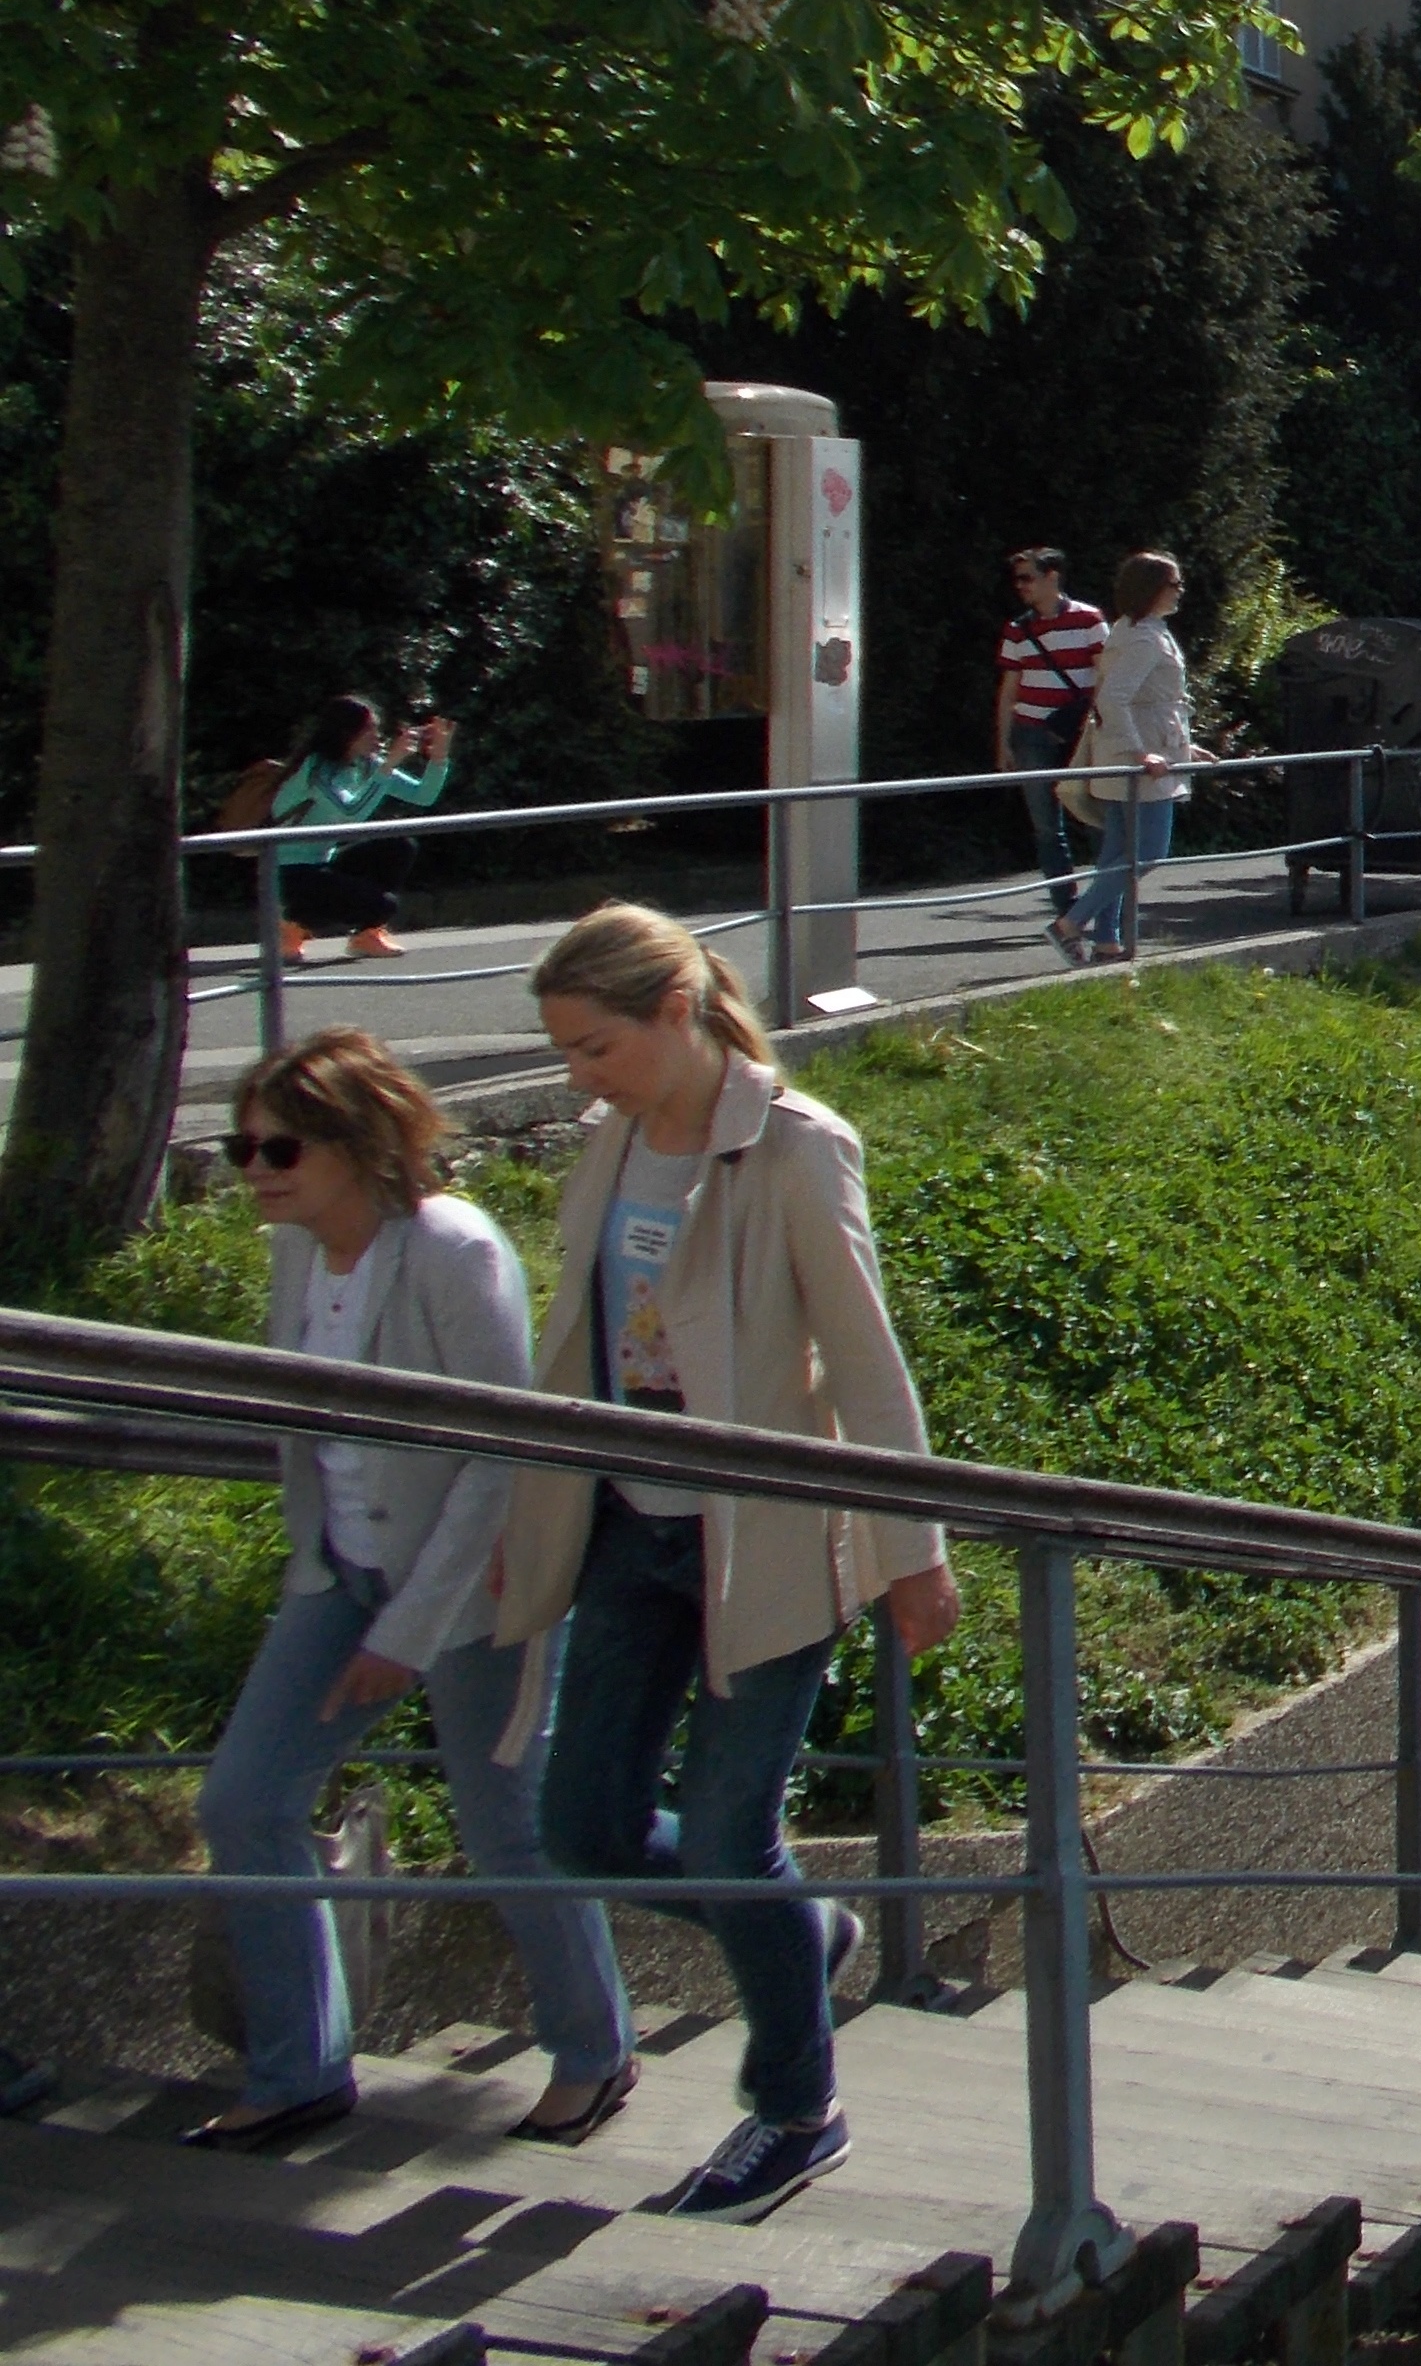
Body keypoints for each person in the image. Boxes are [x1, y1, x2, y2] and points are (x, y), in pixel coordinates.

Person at [494, 904, 963, 2224]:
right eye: (568, 1053)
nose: (579, 1076)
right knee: (581, 1828)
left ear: (676, 1017)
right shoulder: (610, 1144)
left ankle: (795, 2111)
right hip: (624, 1527)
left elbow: (867, 1370)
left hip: (758, 1537)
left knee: (725, 1835)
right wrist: (527, 1518)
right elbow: (574, 1342)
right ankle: (805, 1937)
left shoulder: (798, 1152)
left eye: (596, 1048)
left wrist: (911, 1552)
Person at [187, 1032, 633, 2152]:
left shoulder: (451, 1249)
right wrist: (333, 1577)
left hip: (470, 1585)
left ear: (358, 1142)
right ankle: (298, 2070)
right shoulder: (299, 1252)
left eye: (279, 1146)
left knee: (510, 1829)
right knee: (244, 1799)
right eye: (242, 1147)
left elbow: (502, 1450)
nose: (256, 1169)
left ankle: (594, 2052)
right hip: (341, 1567)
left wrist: (410, 1628)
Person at [1055, 551, 1189, 968]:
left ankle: (1108, 940)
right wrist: (1141, 751)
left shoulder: (1132, 631)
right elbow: (1115, 698)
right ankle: (1070, 924)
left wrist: (1184, 747)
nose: (1180, 591)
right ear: (1152, 589)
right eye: (1174, 584)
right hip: (1141, 762)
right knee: (1148, 851)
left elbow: (1156, 703)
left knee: (1116, 853)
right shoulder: (1145, 639)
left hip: (1131, 752)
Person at [268, 698, 456, 960]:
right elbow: (351, 813)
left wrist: (439, 757)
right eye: (369, 728)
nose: (377, 736)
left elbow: (423, 795)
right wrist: (389, 765)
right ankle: (292, 924)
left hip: (324, 861)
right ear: (347, 732)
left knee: (399, 846)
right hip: (290, 872)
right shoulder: (316, 769)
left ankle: (365, 936)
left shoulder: (366, 764)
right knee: (382, 905)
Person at [992, 547, 1108, 920]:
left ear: (1051, 577)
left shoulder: (1089, 619)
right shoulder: (1017, 628)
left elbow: (1105, 675)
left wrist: (1102, 726)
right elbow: (1009, 689)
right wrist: (1003, 744)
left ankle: (1105, 902)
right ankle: (1065, 909)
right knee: (1046, 828)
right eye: (1018, 579)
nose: (1021, 586)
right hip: (1031, 732)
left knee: (1095, 818)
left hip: (1079, 733)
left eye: (1028, 577)